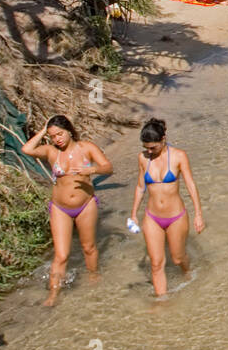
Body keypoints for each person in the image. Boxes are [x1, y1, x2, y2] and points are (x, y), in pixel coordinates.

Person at [21, 115, 113, 306]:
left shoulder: (86, 148)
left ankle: (93, 279)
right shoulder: (50, 151)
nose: (57, 139)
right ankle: (53, 295)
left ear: (69, 131)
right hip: (60, 207)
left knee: (88, 247)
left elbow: (108, 167)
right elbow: (26, 149)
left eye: (60, 134)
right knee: (61, 255)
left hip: (86, 204)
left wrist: (92, 170)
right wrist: (43, 130)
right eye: (53, 136)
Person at [130, 118, 204, 298]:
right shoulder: (142, 158)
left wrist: (198, 214)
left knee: (177, 258)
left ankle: (188, 272)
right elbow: (141, 187)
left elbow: (190, 185)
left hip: (176, 216)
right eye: (146, 147)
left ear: (163, 139)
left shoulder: (179, 156)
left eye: (152, 147)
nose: (149, 151)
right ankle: (162, 303)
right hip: (152, 217)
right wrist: (133, 215)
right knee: (156, 263)